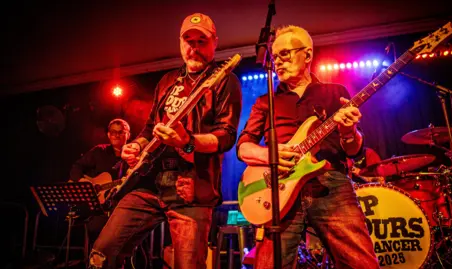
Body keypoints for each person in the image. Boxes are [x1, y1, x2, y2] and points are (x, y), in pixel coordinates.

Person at [88, 13, 242, 269]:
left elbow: (225, 137)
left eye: (201, 41)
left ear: (215, 42)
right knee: (101, 255)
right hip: (148, 183)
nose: (194, 48)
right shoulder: (168, 81)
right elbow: (150, 128)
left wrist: (187, 141)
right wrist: (137, 145)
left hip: (190, 187)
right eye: (188, 41)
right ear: (180, 43)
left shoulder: (224, 80)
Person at [236, 25, 379, 268]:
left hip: (330, 184)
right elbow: (243, 147)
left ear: (308, 55)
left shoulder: (336, 92)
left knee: (361, 263)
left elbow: (354, 151)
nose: (278, 62)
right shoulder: (266, 101)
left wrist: (348, 132)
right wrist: (269, 154)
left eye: (285, 54)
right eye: (275, 56)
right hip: (279, 191)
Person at [69, 118, 131, 241]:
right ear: (108, 134)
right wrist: (82, 181)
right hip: (99, 209)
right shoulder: (99, 151)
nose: (116, 135)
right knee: (94, 229)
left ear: (128, 135)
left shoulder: (134, 155)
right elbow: (76, 167)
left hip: (122, 208)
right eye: (113, 132)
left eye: (121, 132)